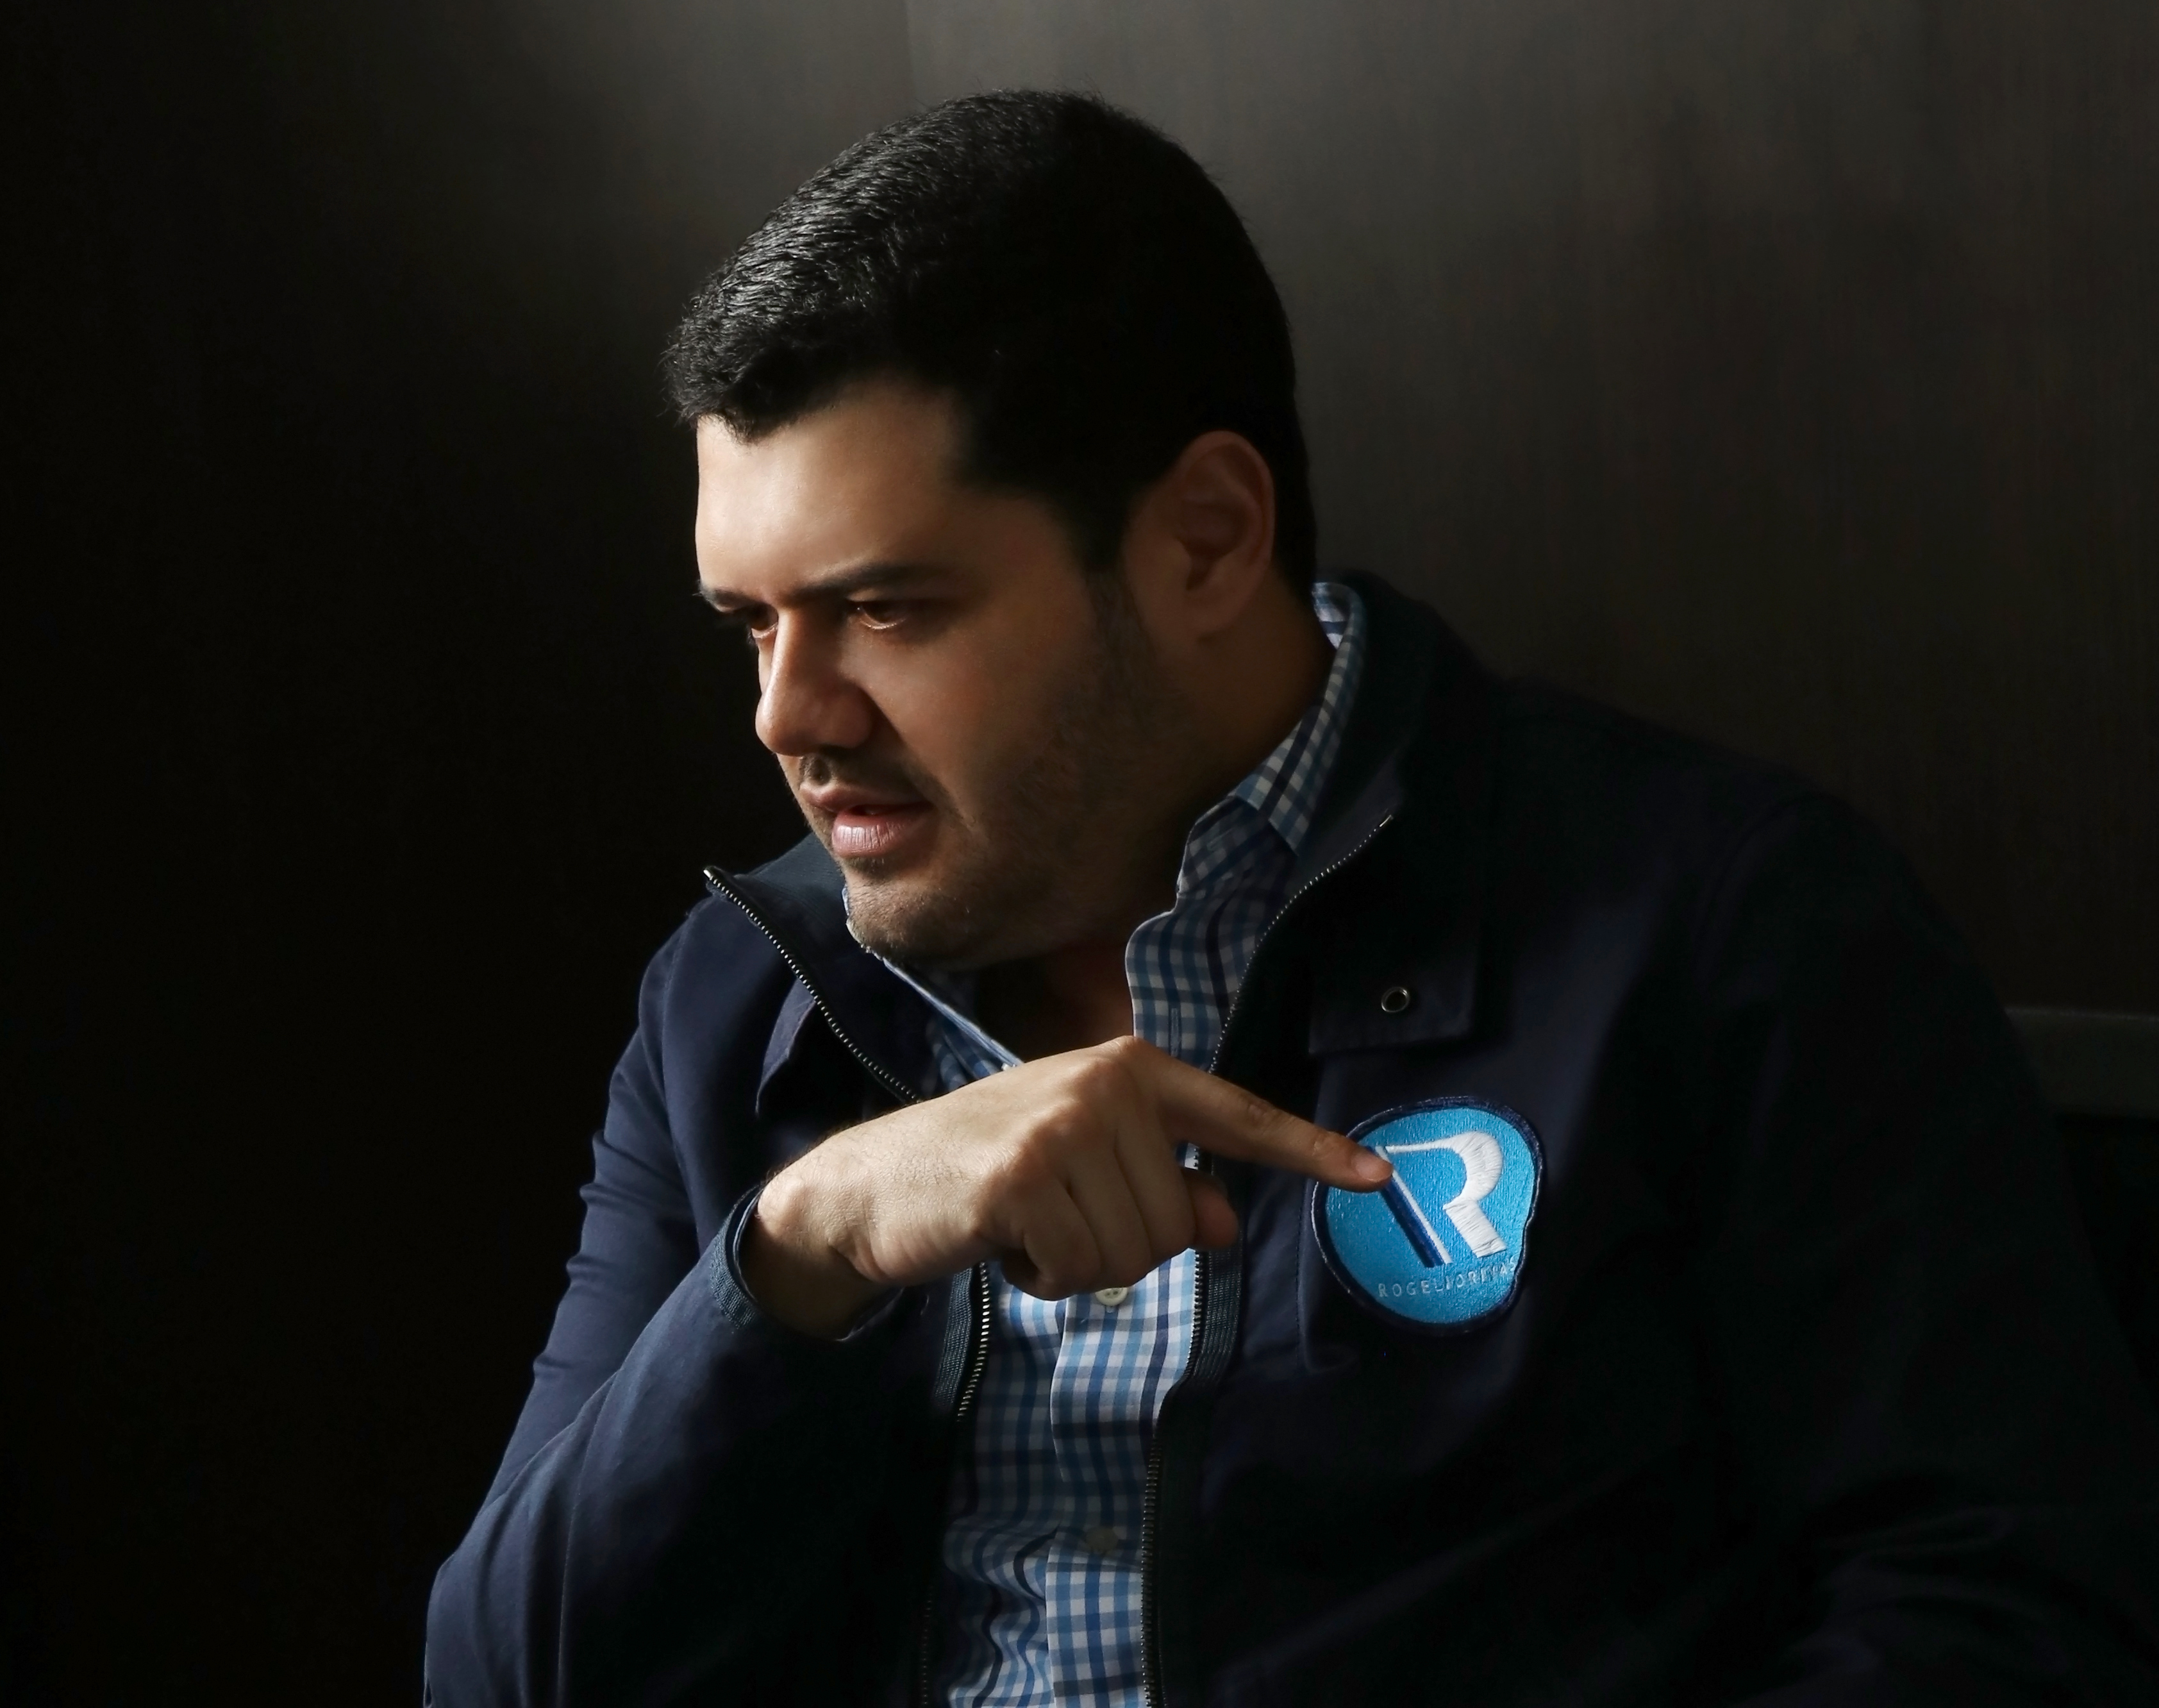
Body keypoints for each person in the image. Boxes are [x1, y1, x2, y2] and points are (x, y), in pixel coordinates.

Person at [423, 91, 2158, 1707]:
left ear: (1204, 537)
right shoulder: (738, 1000)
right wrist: (809, 1246)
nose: (787, 716)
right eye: (752, 623)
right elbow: (502, 1678)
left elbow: (2006, 1609)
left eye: (886, 609)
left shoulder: (1724, 928)